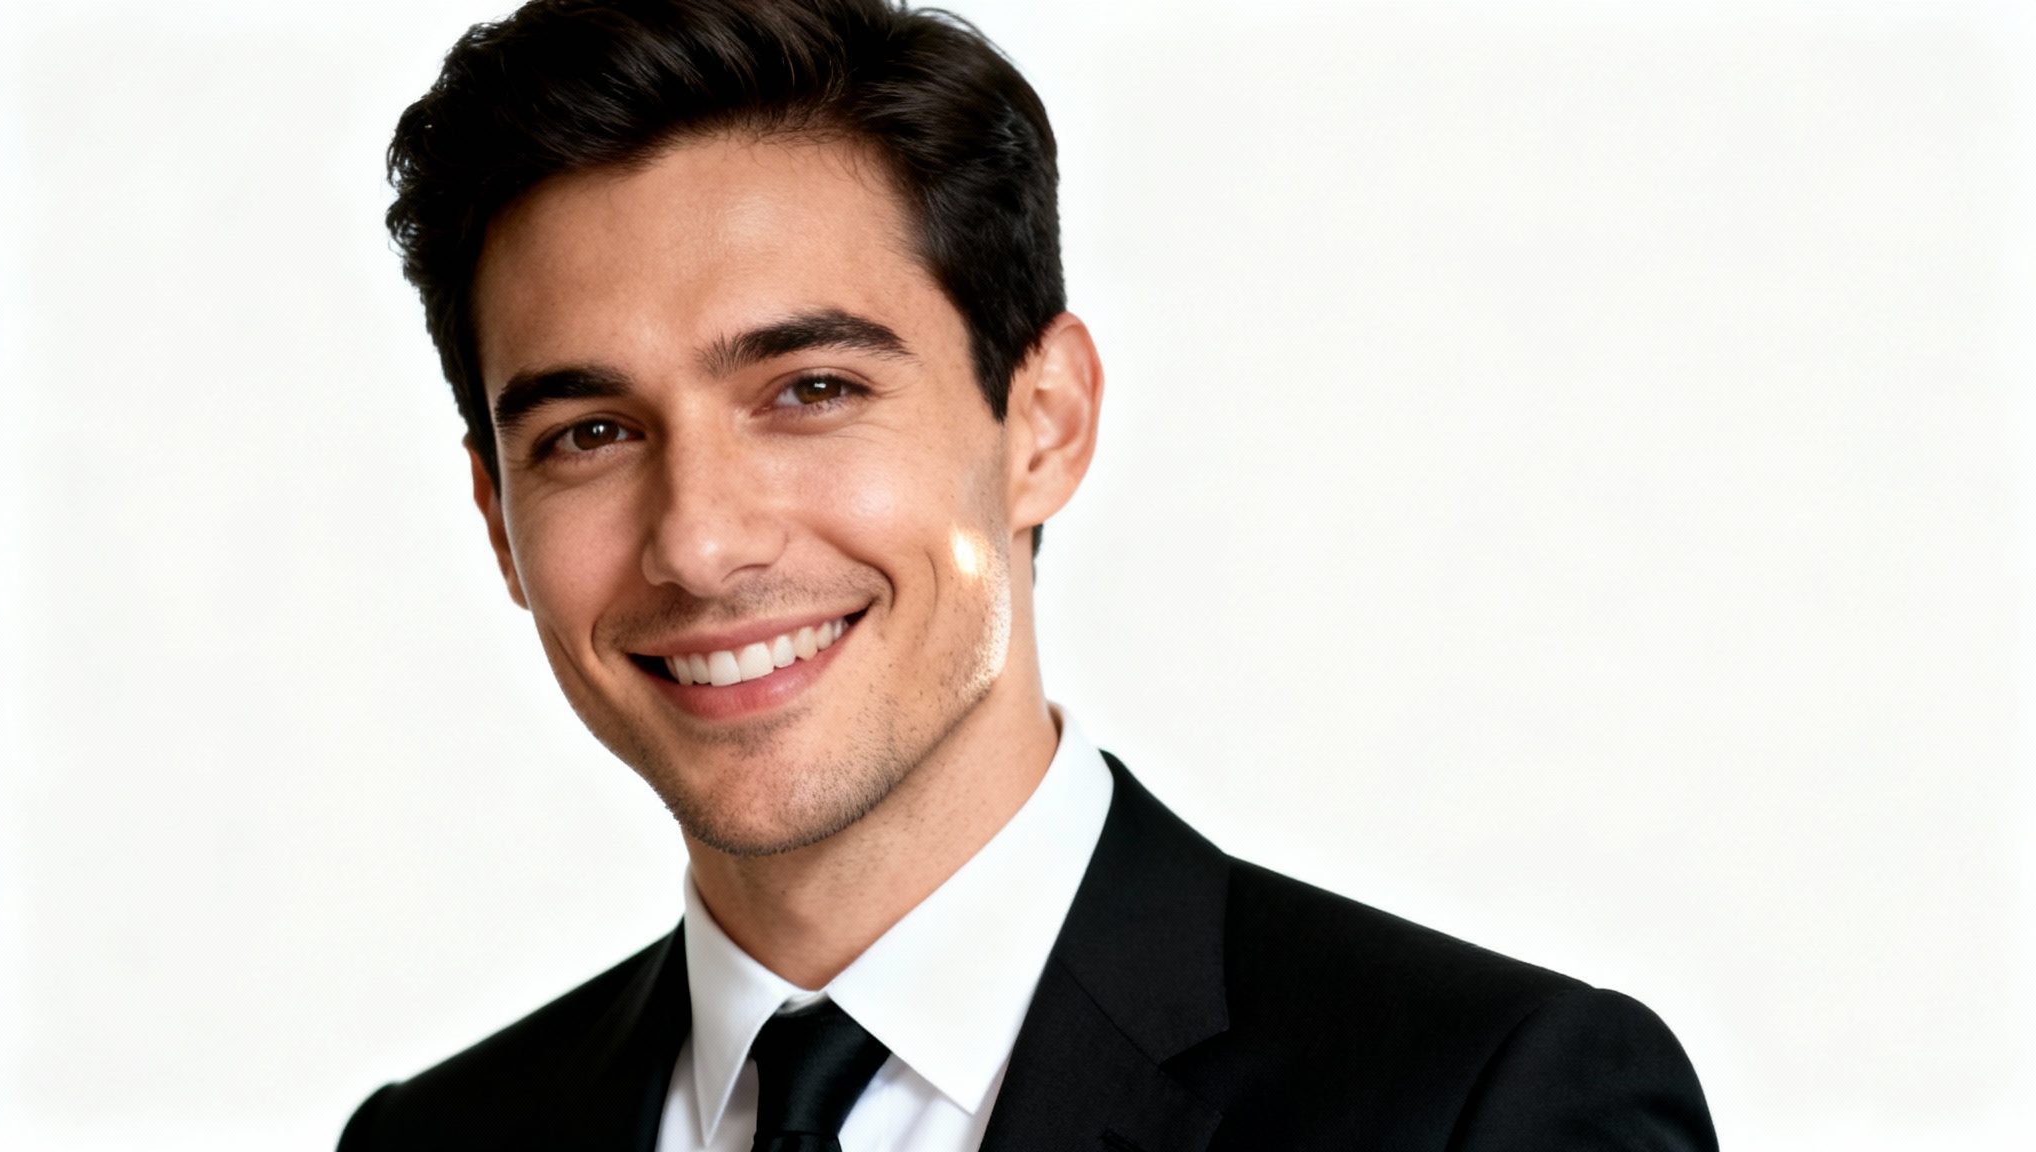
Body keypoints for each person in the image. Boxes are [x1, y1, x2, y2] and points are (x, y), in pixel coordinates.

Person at [338, 1, 1718, 1149]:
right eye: (589, 434)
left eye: (811, 388)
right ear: (496, 515)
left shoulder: (1482, 1107)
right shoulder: (437, 1142)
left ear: (1044, 423)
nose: (699, 541)